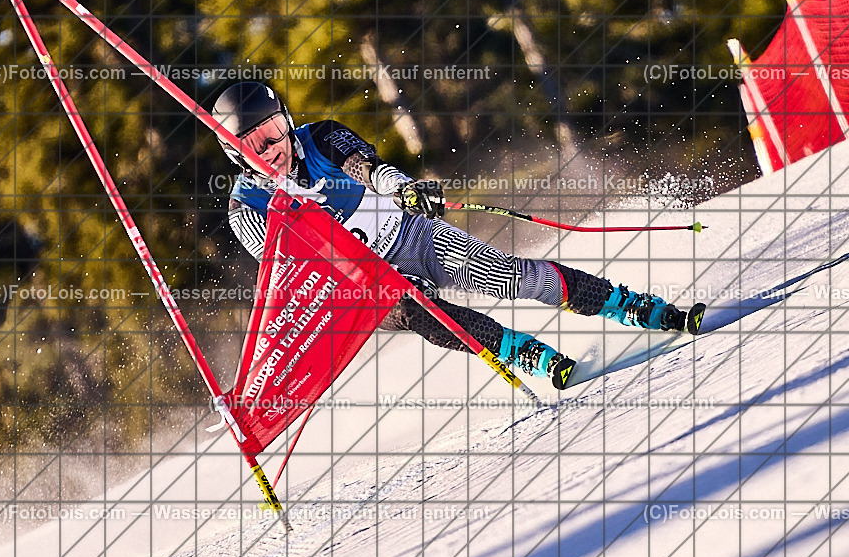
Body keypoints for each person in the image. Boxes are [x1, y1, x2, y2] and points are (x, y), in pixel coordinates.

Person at [212, 82, 698, 390]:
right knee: (430, 317)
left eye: (273, 133)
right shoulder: (246, 209)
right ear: (233, 152)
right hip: (363, 286)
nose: (270, 150)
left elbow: (367, 168)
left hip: (410, 234)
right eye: (251, 145)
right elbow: (294, 271)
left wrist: (404, 190)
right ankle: (525, 354)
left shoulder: (320, 138)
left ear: (286, 122)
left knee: (505, 276)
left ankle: (628, 304)